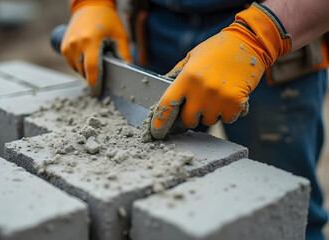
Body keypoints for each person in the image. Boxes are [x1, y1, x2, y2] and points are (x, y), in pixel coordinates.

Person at [61, 0, 329, 239]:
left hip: (275, 26)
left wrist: (259, 39)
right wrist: (91, 3)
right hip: (155, 25)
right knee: (158, 190)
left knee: (283, 203)